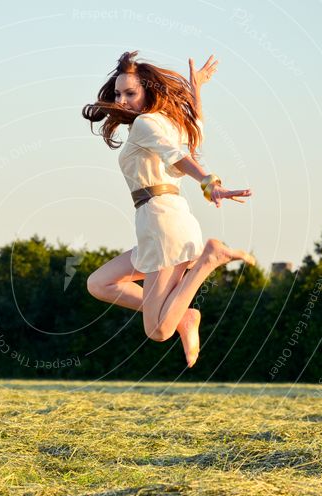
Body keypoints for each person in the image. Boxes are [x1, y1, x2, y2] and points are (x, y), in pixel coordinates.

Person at [81, 50, 255, 368]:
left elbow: (178, 156)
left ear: (148, 91)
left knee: (159, 330)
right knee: (99, 283)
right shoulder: (164, 123)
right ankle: (185, 315)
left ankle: (208, 261)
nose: (121, 100)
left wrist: (207, 181)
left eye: (130, 93)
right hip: (157, 221)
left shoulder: (147, 123)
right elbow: (195, 131)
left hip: (162, 222)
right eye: (118, 94)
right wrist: (196, 89)